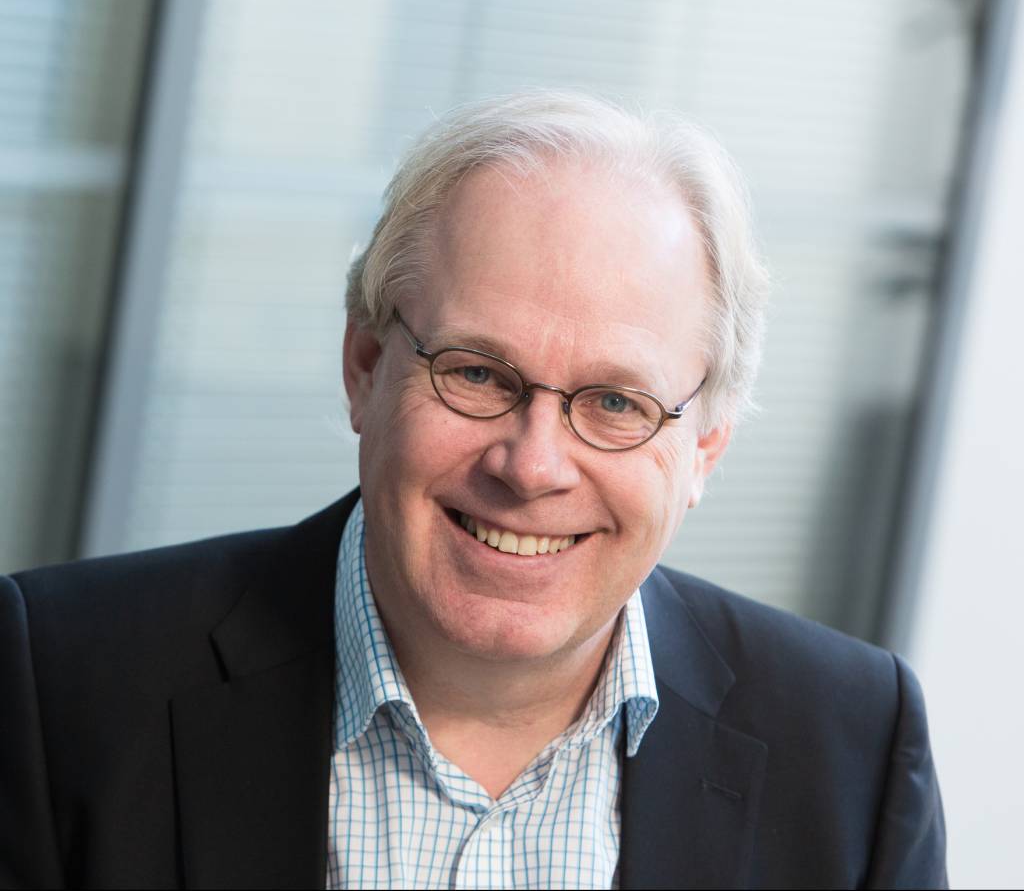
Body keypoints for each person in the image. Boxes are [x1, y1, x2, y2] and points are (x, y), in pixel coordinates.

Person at [1, 90, 946, 890]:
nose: (532, 467)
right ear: (365, 367)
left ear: (704, 449)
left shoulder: (853, 747)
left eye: (616, 402)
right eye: (478, 373)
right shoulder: (55, 686)